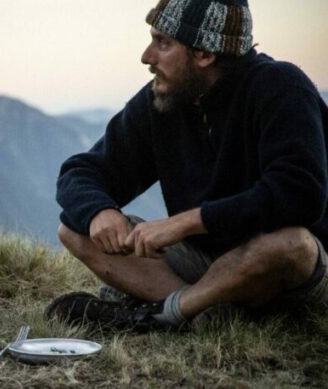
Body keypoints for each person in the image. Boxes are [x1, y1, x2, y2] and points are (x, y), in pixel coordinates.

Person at [49, 0, 328, 332]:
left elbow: (300, 194)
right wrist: (100, 211)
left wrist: (186, 223)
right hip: (205, 266)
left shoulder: (281, 87)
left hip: (286, 272)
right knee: (75, 227)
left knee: (289, 243)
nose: (147, 57)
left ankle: (161, 315)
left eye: (163, 43)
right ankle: (197, 315)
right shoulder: (163, 100)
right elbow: (81, 171)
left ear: (205, 54)